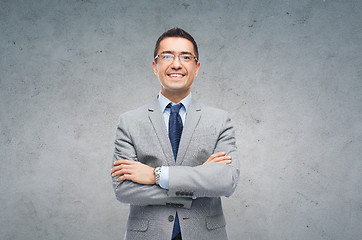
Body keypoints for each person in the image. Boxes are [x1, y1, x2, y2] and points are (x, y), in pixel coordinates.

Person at [110, 27, 240, 240]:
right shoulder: (129, 121)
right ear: (155, 66)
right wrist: (198, 180)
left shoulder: (220, 120)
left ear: (196, 67)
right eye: (167, 56)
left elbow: (226, 181)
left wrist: (156, 176)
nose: (176, 64)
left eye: (186, 57)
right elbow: (123, 189)